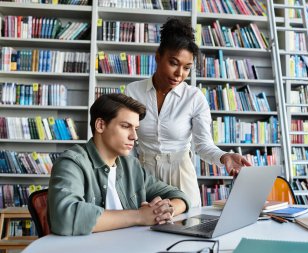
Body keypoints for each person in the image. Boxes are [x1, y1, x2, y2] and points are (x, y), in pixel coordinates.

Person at [126, 18, 251, 207]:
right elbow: (125, 141)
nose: (179, 73)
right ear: (158, 56)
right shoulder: (133, 92)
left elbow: (202, 145)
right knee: (142, 232)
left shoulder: (194, 98)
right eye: (174, 63)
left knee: (187, 230)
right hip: (144, 176)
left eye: (187, 68)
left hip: (181, 175)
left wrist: (224, 156)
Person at [48, 94, 190, 236]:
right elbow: (65, 218)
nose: (134, 136)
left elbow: (179, 196)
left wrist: (163, 210)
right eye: (125, 126)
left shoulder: (131, 165)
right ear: (100, 125)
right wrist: (140, 216)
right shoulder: (72, 163)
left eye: (136, 129)